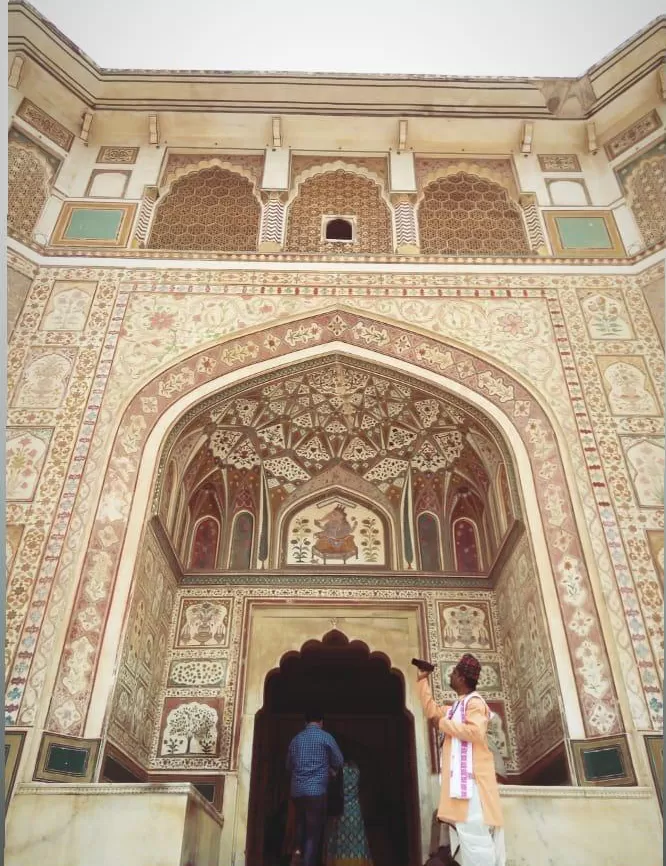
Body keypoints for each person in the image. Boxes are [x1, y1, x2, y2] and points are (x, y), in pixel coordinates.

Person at [416, 654, 505, 866]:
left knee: (475, 838)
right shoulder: (457, 707)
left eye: (454, 672)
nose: (451, 676)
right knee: (466, 838)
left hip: (472, 784)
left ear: (462, 678)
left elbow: (475, 732)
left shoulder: (475, 703)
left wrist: (443, 725)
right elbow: (433, 712)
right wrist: (422, 680)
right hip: (461, 786)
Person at [286, 709, 344, 866]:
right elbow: (339, 761)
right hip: (316, 792)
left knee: (300, 823)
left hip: (297, 792)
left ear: (305, 722)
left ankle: (297, 853)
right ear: (321, 722)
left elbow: (289, 765)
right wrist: (328, 768)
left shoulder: (296, 739)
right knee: (313, 832)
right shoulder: (326, 737)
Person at [324, 758, 373, 866]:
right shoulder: (356, 771)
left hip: (341, 812)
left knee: (340, 843)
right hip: (355, 812)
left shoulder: (337, 772)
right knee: (357, 842)